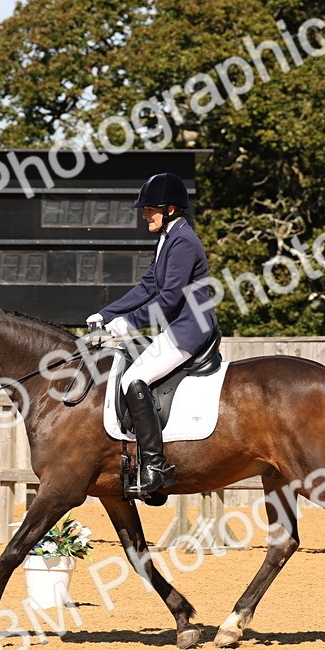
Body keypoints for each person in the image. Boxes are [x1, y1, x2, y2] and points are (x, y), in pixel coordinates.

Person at [86, 172, 219, 497]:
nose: (144, 213)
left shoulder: (184, 241)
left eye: (150, 209)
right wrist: (108, 313)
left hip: (190, 328)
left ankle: (156, 466)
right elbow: (148, 286)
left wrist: (128, 323)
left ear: (171, 209)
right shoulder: (167, 238)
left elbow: (171, 296)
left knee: (134, 380)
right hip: (174, 327)